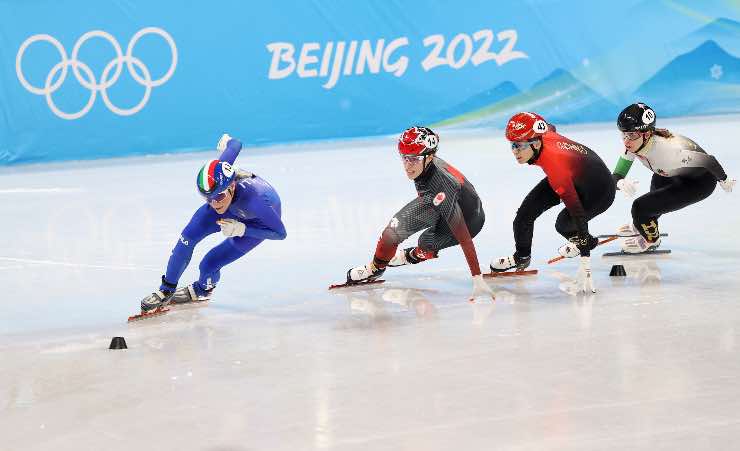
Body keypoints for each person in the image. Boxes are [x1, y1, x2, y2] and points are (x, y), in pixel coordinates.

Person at [139, 134, 287, 313]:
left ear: (231, 186)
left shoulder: (255, 201)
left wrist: (243, 229)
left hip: (256, 221)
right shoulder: (220, 174)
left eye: (218, 196)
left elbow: (280, 233)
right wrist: (227, 141)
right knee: (186, 239)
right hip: (231, 208)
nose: (214, 203)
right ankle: (166, 291)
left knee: (209, 264)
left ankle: (202, 289)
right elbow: (236, 144)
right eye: (207, 198)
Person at [345, 126, 494, 302]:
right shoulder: (426, 164)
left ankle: (415, 254)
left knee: (426, 241)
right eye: (404, 158)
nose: (407, 166)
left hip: (469, 222)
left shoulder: (442, 187)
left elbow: (464, 236)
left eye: (413, 160)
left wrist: (477, 277)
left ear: (429, 157)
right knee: (391, 233)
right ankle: (375, 269)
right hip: (438, 203)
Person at [491, 112, 615, 293]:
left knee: (564, 224)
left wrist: (585, 264)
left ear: (535, 143)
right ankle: (521, 257)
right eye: (512, 145)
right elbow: (550, 128)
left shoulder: (555, 166)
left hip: (600, 191)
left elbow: (578, 213)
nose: (515, 151)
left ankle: (586, 242)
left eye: (519, 146)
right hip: (576, 175)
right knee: (524, 216)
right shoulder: (542, 135)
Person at [612, 102, 735, 252]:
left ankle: (652, 240)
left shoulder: (671, 151)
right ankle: (644, 224)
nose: (626, 140)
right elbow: (617, 175)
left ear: (647, 134)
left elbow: (709, 161)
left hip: (699, 183)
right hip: (671, 172)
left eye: (631, 134)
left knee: (640, 208)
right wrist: (619, 182)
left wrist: (724, 179)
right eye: (623, 134)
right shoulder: (635, 142)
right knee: (652, 199)